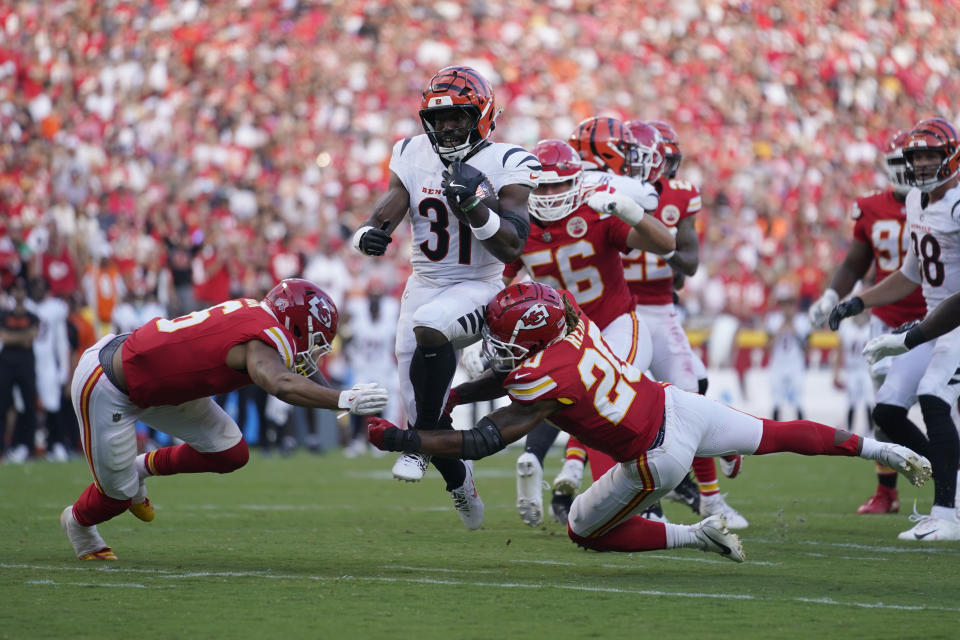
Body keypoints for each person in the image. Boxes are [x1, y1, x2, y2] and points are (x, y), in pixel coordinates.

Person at [367, 281, 931, 561]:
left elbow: (481, 441)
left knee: (582, 532)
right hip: (677, 404)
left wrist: (403, 437)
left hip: (654, 457)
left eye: (507, 340)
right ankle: (883, 452)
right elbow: (506, 378)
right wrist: (462, 389)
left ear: (531, 341)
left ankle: (696, 534)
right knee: (775, 433)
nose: (497, 346)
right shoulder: (569, 317)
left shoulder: (542, 378)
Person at [59, 278, 388, 560]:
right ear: (298, 325)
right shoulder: (266, 338)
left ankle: (140, 467)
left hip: (156, 382)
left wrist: (341, 399)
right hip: (110, 385)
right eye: (316, 341)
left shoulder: (258, 314)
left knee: (229, 450)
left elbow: (301, 370)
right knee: (115, 496)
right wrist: (345, 399)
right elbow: (280, 383)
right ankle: (78, 524)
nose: (314, 352)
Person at [351, 65, 538, 529]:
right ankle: (460, 483)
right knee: (423, 410)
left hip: (481, 285)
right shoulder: (412, 152)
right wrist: (369, 233)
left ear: (482, 115)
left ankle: (416, 442)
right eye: (439, 118)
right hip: (424, 283)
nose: (447, 126)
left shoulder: (510, 161)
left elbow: (514, 244)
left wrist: (475, 206)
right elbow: (393, 202)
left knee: (431, 327)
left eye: (457, 115)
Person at [502, 135, 674, 526]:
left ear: (576, 182)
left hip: (615, 325)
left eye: (559, 184)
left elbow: (666, 244)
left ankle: (625, 500)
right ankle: (618, 501)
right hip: (570, 339)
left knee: (608, 406)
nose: (549, 194)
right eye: (542, 185)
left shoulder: (596, 212)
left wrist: (631, 213)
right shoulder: (521, 225)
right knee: (571, 408)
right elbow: (501, 285)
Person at [828, 117, 960, 540]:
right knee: (886, 411)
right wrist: (857, 301)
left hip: (955, 319)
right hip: (935, 318)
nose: (921, 164)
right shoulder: (917, 203)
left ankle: (946, 512)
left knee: (934, 396)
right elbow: (910, 274)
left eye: (930, 155)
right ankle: (950, 479)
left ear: (951, 157)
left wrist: (910, 336)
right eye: (916, 156)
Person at [621, 119, 746, 528]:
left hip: (658, 308)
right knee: (622, 402)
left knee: (691, 395)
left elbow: (689, 264)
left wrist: (658, 238)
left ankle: (710, 500)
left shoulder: (679, 195)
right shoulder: (605, 190)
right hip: (617, 311)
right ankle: (628, 494)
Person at [808, 129, 926, 514]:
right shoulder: (871, 207)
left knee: (945, 401)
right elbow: (855, 262)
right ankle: (887, 491)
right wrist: (831, 295)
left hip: (938, 316)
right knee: (886, 411)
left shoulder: (941, 203)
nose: (910, 171)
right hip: (887, 319)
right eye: (902, 163)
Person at [0, 277, 39, 463]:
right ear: (12, 293)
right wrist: (20, 337)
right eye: (15, 290)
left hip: (25, 363)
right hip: (7, 363)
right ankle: (3, 449)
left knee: (29, 405)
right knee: (3, 405)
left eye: (21, 290)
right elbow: (4, 337)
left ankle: (28, 448)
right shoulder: (4, 315)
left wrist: (13, 337)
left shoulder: (32, 316)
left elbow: (30, 338)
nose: (18, 293)